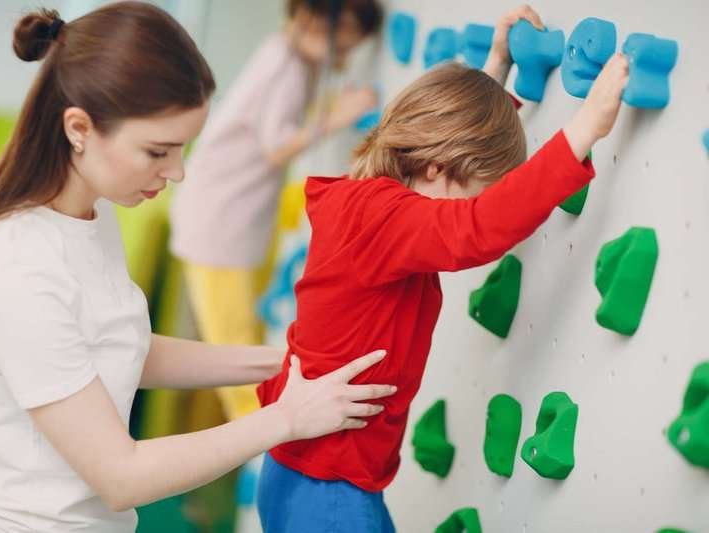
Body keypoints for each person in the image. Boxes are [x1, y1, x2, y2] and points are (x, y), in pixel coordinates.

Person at [0, 4, 396, 532]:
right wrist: (287, 418)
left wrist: (284, 361)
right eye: (158, 151)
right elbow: (122, 476)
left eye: (182, 148)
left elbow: (117, 346)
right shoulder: (18, 269)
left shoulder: (91, 215)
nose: (179, 171)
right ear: (80, 128)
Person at [256, 5, 630, 532]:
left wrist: (495, 72)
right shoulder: (382, 219)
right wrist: (583, 130)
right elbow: (476, 228)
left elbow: (458, 158)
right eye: (479, 189)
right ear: (437, 166)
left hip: (311, 469)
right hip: (329, 484)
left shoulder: (368, 205)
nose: (476, 204)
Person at [169, 0, 384, 421]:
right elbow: (276, 145)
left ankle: (262, 430)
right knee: (232, 350)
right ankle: (260, 436)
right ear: (318, 23)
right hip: (218, 226)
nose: (344, 56)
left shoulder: (286, 55)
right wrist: (337, 116)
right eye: (343, 44)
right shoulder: (285, 65)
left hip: (224, 220)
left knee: (238, 344)